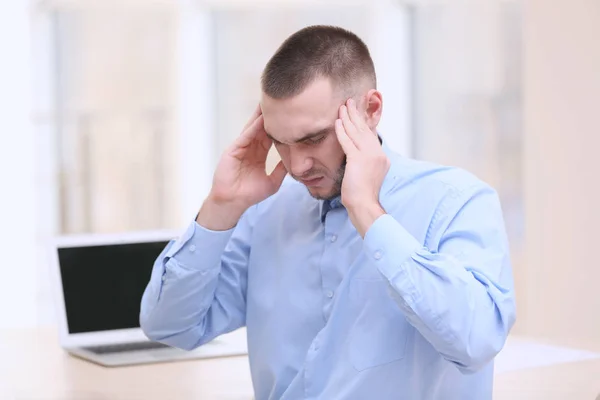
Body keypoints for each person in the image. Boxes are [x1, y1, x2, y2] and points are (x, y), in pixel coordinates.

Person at [140, 25, 516, 400]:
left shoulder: (456, 201)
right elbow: (171, 327)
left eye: (313, 139)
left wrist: (369, 213)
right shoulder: (265, 213)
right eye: (279, 142)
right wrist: (221, 207)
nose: (297, 165)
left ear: (370, 110)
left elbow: (477, 341)